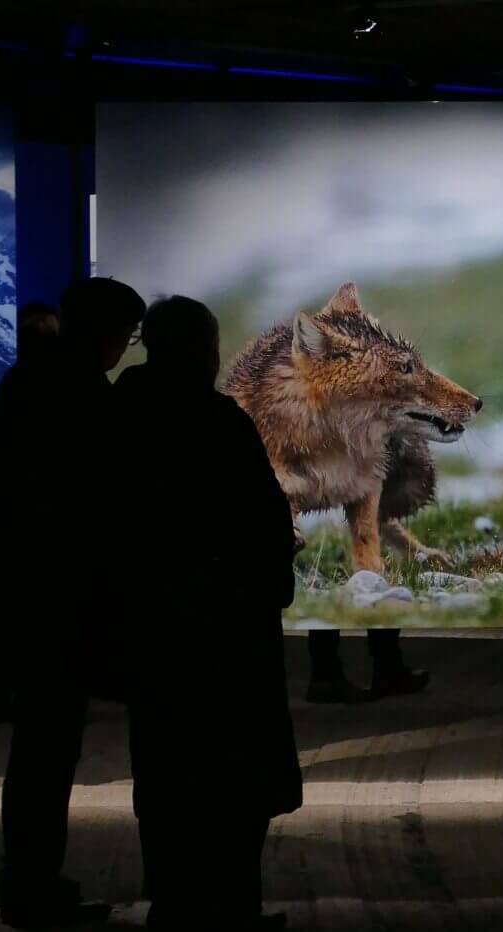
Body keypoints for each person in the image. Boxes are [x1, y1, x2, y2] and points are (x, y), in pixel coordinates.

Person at [115, 297, 302, 930]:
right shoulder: (218, 420)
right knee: (234, 780)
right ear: (203, 350)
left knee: (165, 776)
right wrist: (272, 571)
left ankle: (173, 904)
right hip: (228, 633)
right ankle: (232, 908)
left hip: (154, 633)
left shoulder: (119, 418)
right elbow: (259, 518)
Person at [0, 277, 145, 929]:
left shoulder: (23, 382)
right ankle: (29, 886)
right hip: (62, 604)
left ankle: (30, 879)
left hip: (26, 596)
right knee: (48, 754)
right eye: (126, 338)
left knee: (40, 753)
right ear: (105, 335)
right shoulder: (82, 392)